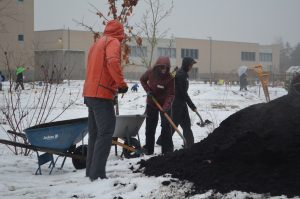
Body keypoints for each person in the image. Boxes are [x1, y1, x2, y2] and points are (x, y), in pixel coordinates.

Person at [83, 19, 128, 181]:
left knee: (94, 134)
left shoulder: (97, 44)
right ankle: (98, 175)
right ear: (119, 33)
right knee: (106, 132)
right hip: (101, 94)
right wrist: (121, 84)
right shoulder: (113, 42)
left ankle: (90, 172)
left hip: (89, 93)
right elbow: (113, 62)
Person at [156, 57, 197, 148]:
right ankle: (162, 141)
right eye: (191, 65)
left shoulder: (182, 74)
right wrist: (192, 106)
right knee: (175, 124)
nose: (191, 67)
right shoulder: (181, 75)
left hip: (181, 103)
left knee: (184, 124)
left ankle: (190, 144)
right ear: (187, 65)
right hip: (176, 104)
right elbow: (183, 93)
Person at [140, 56, 175, 155]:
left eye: (165, 68)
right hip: (152, 102)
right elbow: (142, 80)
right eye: (161, 67)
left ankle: (167, 150)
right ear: (157, 66)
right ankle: (149, 149)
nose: (163, 70)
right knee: (150, 126)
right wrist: (148, 91)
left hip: (165, 104)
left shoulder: (170, 77)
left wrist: (165, 107)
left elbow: (171, 94)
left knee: (166, 126)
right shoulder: (150, 72)